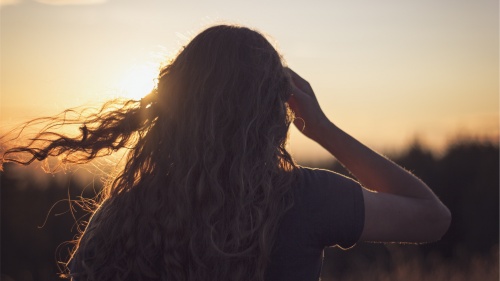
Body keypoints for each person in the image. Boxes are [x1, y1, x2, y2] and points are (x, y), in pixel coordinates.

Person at [0, 24, 451, 281]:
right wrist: (323, 129)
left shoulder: (120, 216)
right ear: (274, 112)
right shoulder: (306, 199)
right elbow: (431, 216)